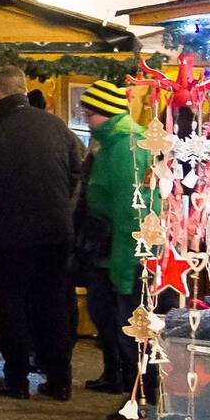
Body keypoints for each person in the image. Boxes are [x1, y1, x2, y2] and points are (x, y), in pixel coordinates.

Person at [0, 64, 85, 401]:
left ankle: (16, 378)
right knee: (55, 303)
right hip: (56, 231)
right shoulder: (56, 126)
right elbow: (77, 173)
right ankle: (59, 379)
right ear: (23, 88)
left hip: (12, 233)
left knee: (14, 303)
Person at [79, 79, 149, 402]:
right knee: (107, 317)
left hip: (121, 254)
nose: (85, 119)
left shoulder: (125, 147)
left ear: (105, 113)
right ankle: (121, 381)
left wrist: (123, 269)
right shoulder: (111, 143)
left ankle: (140, 400)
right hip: (106, 251)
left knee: (127, 326)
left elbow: (128, 213)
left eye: (89, 113)